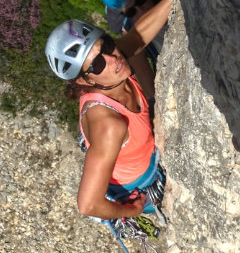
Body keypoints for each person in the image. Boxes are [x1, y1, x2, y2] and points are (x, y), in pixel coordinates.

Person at [44, 19, 168, 225]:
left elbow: (138, 37)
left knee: (134, 50)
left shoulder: (113, 70)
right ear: (84, 81)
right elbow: (88, 204)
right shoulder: (109, 124)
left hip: (143, 147)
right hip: (146, 185)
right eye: (97, 64)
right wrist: (132, 211)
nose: (112, 59)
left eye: (108, 45)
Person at [99, 0, 178, 69]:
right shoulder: (132, 38)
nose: (141, 11)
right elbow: (147, 82)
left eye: (141, 0)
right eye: (131, 12)